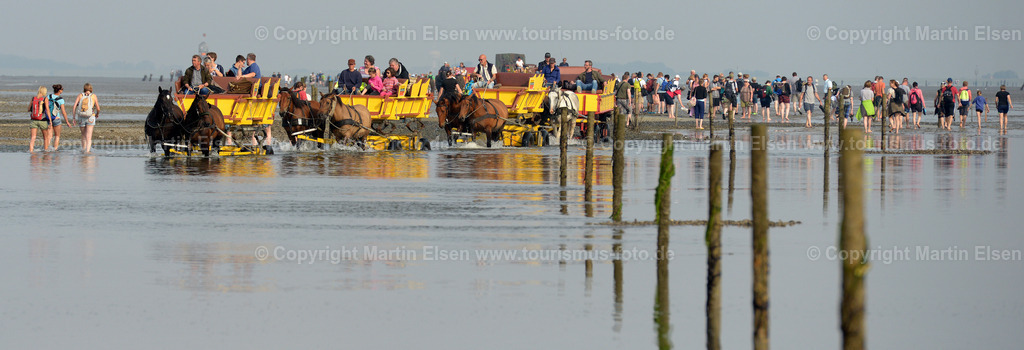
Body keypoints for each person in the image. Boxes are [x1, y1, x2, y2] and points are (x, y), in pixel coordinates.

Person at [72, 83, 100, 154]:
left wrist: (74, 117)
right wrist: (97, 114)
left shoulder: (80, 95)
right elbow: (98, 108)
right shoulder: (94, 96)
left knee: (83, 135)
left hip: (81, 117)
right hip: (91, 117)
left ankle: (83, 150)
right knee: (89, 137)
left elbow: (74, 106)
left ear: (84, 88)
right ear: (91, 89)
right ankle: (87, 151)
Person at [47, 84, 71, 151]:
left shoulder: (49, 96)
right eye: (62, 89)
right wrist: (67, 122)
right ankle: (55, 150)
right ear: (60, 90)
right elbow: (63, 112)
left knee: (49, 136)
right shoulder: (61, 100)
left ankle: (47, 150)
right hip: (56, 118)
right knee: (57, 136)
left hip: (49, 118)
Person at [28, 86, 51, 153]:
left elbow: (28, 109)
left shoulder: (33, 98)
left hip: (33, 120)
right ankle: (46, 151)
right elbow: (47, 110)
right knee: (45, 137)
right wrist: (50, 120)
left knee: (33, 137)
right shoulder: (45, 99)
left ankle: (31, 151)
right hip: (42, 120)